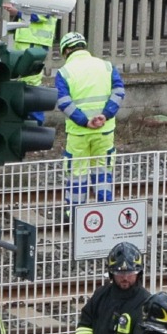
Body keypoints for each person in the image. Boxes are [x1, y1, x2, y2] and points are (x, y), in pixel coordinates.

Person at [55, 31, 126, 213]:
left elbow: (63, 102)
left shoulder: (64, 72)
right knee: (103, 171)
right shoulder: (106, 66)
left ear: (66, 50)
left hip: (78, 133)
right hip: (104, 130)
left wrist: (84, 122)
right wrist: (105, 115)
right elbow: (119, 91)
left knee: (77, 173)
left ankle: (75, 214)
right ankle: (105, 211)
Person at [2, 0, 59, 125]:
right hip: (28, 41)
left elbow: (45, 13)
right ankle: (29, 125)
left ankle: (35, 126)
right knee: (25, 84)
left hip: (35, 42)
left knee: (31, 85)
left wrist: (17, 12)